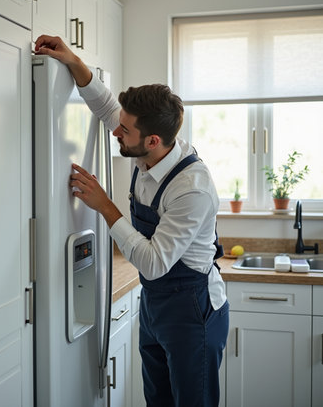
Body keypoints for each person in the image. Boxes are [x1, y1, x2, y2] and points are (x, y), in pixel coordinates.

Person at [34, 35, 229, 407]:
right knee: (158, 400)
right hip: (157, 306)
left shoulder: (192, 189)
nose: (115, 132)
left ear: (152, 140)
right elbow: (108, 108)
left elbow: (155, 263)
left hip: (192, 310)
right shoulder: (149, 150)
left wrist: (104, 205)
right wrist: (74, 62)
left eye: (125, 131)